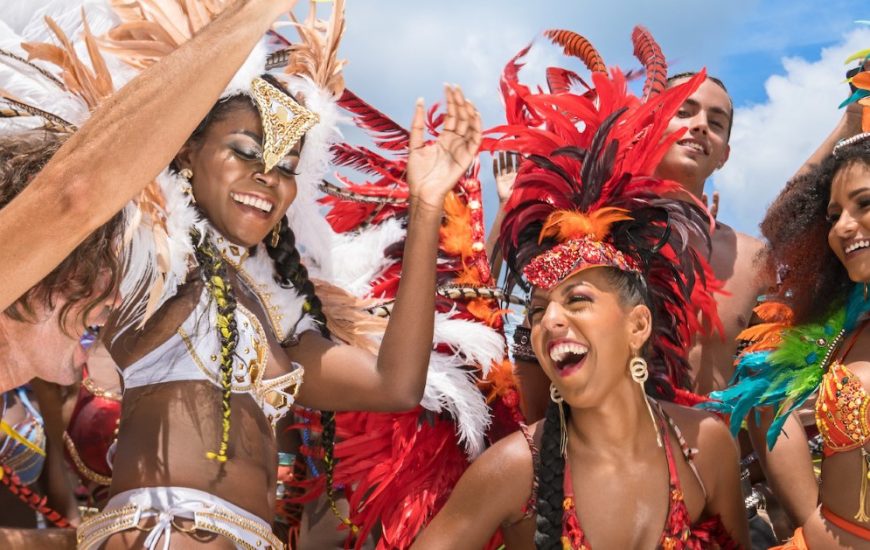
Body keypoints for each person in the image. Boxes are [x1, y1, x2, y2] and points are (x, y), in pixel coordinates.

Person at [413, 36, 749, 549]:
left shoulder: (708, 450)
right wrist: (435, 207)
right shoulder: (514, 470)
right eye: (538, 310)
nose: (550, 320)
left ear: (639, 325)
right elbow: (476, 307)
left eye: (578, 300)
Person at [706, 131, 870, 549]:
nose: (843, 227)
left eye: (865, 203)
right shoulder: (845, 328)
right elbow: (784, 226)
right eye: (833, 216)